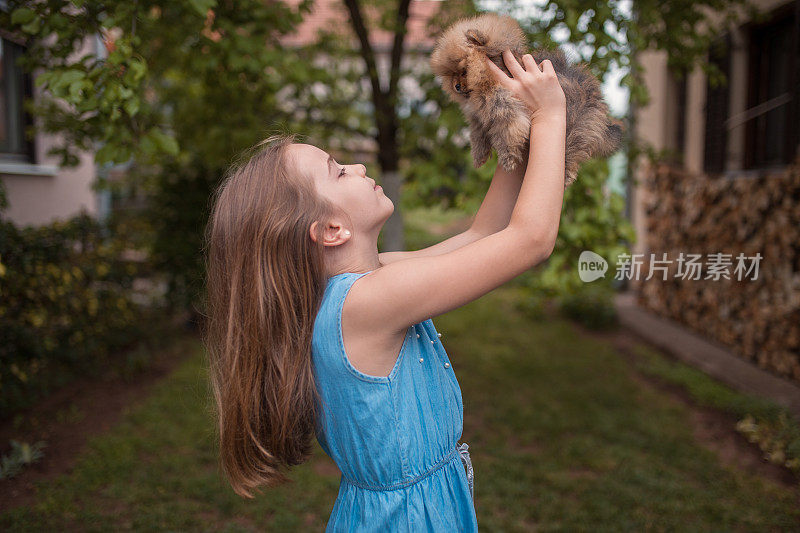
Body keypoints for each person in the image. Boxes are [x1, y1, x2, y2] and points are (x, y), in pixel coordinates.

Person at [202, 49, 566, 531]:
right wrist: (552, 113)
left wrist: (515, 129)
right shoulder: (370, 303)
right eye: (337, 171)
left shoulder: (373, 281)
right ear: (331, 230)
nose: (356, 167)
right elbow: (530, 241)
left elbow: (485, 235)